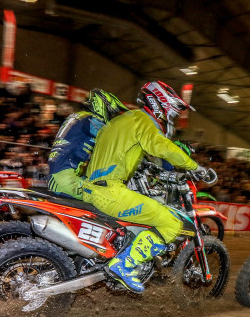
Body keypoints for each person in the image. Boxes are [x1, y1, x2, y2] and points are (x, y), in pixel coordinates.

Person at [82, 81, 208, 294]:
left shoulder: (122, 120)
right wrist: (195, 167)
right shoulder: (142, 120)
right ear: (160, 104)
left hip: (91, 189)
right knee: (171, 223)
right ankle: (125, 265)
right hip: (110, 192)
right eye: (171, 111)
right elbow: (161, 147)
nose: (171, 117)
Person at [47, 88, 129, 200]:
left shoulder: (79, 117)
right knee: (112, 199)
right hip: (66, 180)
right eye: (111, 113)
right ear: (102, 107)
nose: (111, 118)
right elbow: (112, 136)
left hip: (60, 175)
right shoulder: (91, 120)